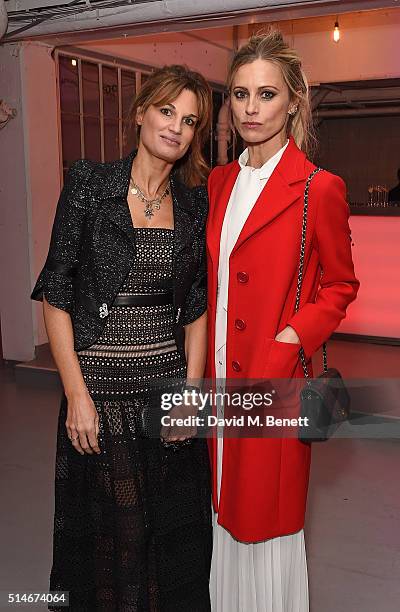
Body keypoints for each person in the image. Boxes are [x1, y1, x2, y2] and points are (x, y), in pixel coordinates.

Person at [31, 64, 213, 612]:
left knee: (173, 541)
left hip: (163, 396)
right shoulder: (90, 184)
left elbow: (196, 310)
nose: (176, 128)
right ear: (139, 113)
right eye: (166, 111)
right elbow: (56, 293)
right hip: (102, 399)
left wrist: (192, 395)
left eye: (189, 120)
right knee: (118, 538)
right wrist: (77, 396)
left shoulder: (193, 204)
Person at [206, 30, 360, 611]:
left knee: (267, 518)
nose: (250, 108)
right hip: (218, 375)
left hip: (274, 378)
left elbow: (342, 284)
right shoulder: (219, 182)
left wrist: (291, 338)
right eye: (239, 94)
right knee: (224, 507)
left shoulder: (319, 189)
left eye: (266, 94)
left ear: (293, 100)